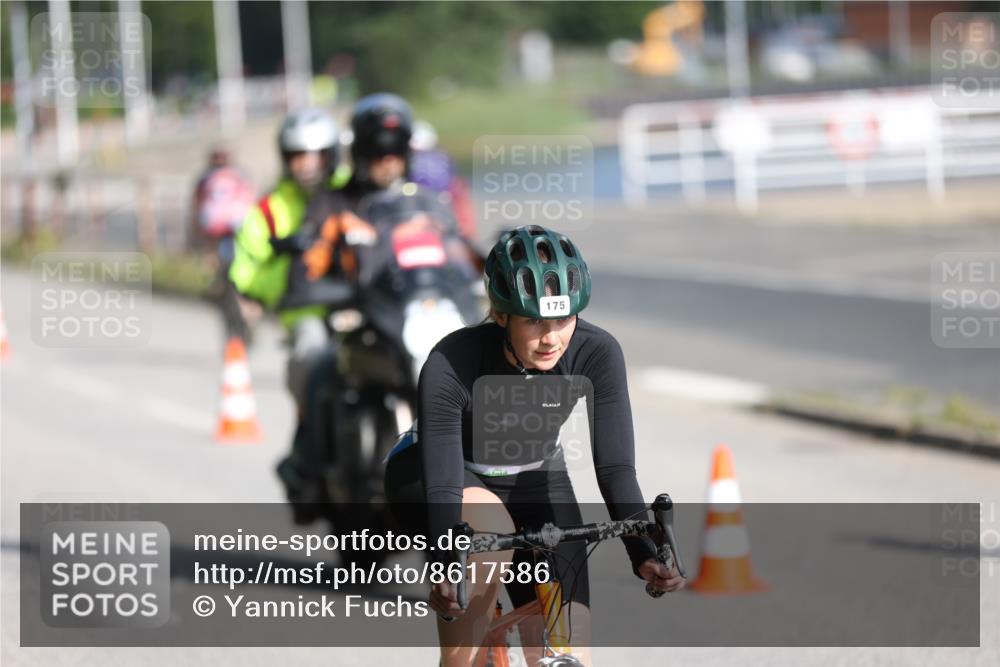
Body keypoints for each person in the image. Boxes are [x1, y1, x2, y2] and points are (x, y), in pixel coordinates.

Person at [384, 225, 685, 667]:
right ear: (501, 314)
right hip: (438, 474)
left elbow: (616, 468)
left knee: (570, 647)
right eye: (534, 321)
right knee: (487, 537)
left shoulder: (597, 352)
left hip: (534, 475)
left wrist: (644, 551)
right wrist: (447, 563)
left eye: (563, 320)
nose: (551, 338)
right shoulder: (453, 360)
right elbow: (443, 483)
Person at [228, 107, 358, 517]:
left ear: (332, 154)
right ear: (285, 158)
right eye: (298, 155)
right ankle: (309, 462)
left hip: (364, 305)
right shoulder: (268, 211)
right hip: (307, 313)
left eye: (316, 154)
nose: (307, 164)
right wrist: (290, 263)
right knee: (311, 356)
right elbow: (247, 274)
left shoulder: (356, 191)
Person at [190, 145, 257, 343]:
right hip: (231, 235)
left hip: (227, 236)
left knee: (223, 282)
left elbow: (197, 208)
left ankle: (241, 318)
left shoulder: (208, 179)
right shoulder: (237, 175)